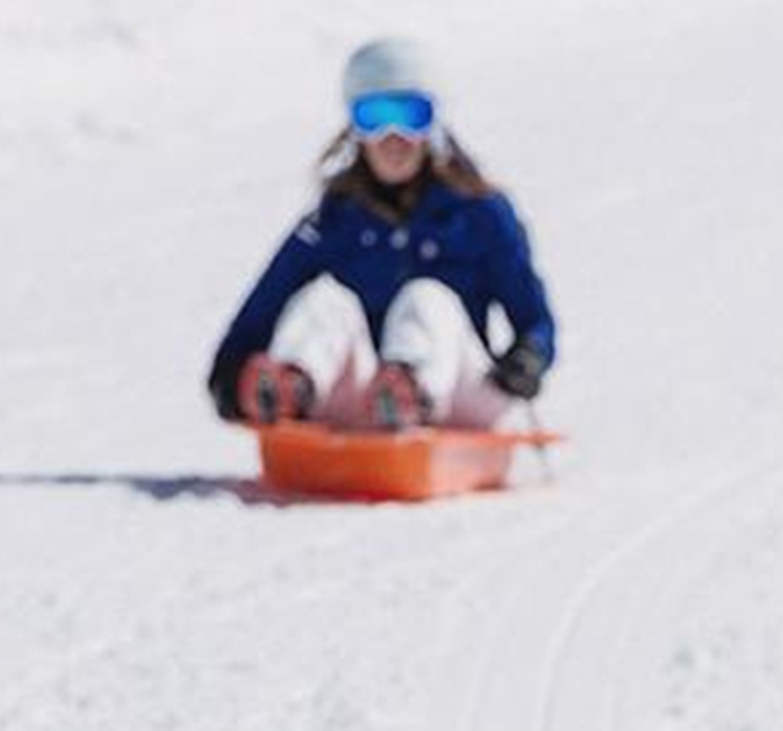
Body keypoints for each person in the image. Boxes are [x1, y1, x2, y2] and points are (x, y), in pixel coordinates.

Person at [206, 37, 556, 434]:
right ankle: (292, 387)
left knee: (427, 297)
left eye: (411, 115)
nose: (395, 136)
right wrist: (233, 381)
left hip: (462, 401)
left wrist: (528, 358)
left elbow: (535, 320)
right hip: (366, 406)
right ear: (355, 129)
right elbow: (260, 311)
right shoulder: (333, 221)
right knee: (328, 301)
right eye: (376, 117)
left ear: (432, 124)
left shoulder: (480, 213)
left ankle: (408, 390)